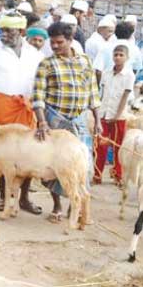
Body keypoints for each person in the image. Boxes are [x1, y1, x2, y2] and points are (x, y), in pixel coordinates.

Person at [0, 13, 43, 212]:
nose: (4, 34)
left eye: (9, 31)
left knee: (28, 153)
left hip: (26, 108)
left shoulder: (36, 54)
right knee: (1, 156)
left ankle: (24, 198)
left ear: (22, 32)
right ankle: (1, 197)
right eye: (2, 30)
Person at [33, 21, 100, 223]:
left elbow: (93, 93)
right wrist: (42, 122)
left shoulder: (85, 61)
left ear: (70, 40)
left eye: (59, 42)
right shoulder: (46, 64)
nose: (54, 46)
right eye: (52, 43)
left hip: (79, 120)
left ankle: (76, 206)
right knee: (54, 166)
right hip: (55, 119)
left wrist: (97, 121)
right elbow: (37, 97)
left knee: (82, 165)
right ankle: (57, 205)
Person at [95, 45, 135, 185]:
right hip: (104, 113)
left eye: (121, 55)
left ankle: (118, 175)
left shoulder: (129, 75)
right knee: (100, 145)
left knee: (118, 147)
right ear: (112, 56)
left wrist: (117, 116)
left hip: (119, 117)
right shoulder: (106, 73)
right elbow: (102, 93)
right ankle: (97, 175)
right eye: (116, 54)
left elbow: (124, 97)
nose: (118, 57)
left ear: (126, 57)